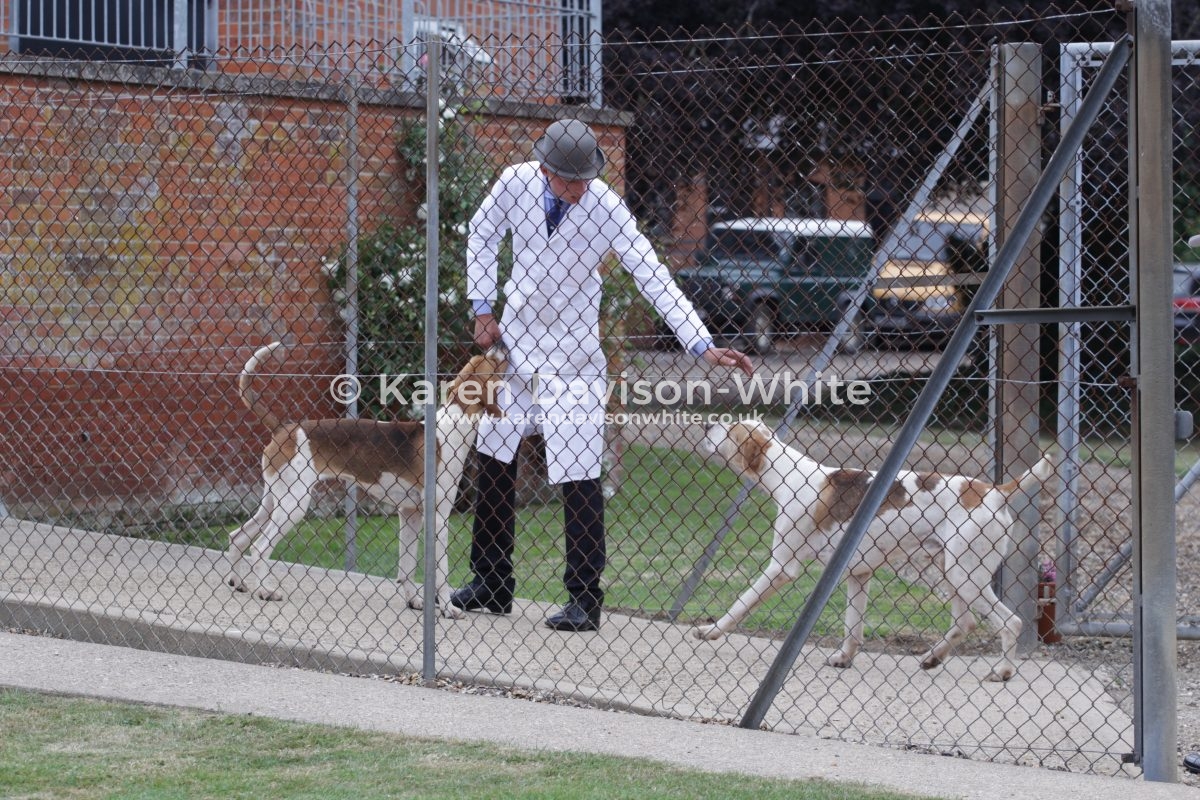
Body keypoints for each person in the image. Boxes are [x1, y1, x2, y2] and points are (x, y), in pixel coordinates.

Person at [452, 118, 754, 632]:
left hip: (573, 359)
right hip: (516, 348)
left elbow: (651, 274)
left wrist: (701, 343)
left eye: (586, 179)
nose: (580, 188)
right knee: (494, 453)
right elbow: (481, 234)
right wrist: (482, 306)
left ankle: (584, 597)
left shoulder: (606, 207)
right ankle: (492, 581)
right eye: (570, 180)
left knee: (578, 471)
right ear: (545, 170)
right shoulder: (514, 182)